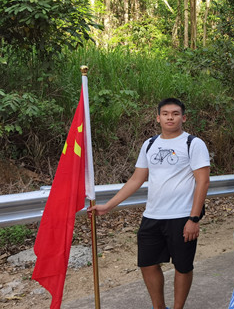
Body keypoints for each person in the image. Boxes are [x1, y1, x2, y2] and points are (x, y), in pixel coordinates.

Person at [88, 98, 210, 309]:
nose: (170, 117)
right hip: (152, 215)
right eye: (165, 113)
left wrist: (194, 218)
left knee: (182, 266)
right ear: (158, 118)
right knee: (147, 263)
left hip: (182, 216)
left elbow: (203, 181)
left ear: (184, 117)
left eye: (175, 113)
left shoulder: (193, 143)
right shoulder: (150, 144)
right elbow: (137, 179)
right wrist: (108, 206)